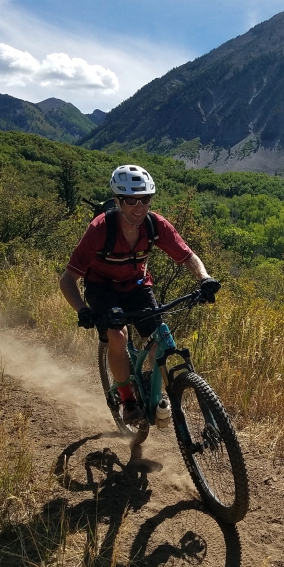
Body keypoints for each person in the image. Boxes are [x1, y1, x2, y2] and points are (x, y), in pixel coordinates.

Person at [59, 164, 220, 423]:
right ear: (117, 201)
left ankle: (158, 393)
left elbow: (187, 255)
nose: (139, 206)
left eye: (145, 198)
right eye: (131, 200)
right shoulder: (100, 230)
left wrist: (205, 278)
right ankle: (127, 400)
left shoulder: (155, 225)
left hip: (136, 285)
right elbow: (67, 280)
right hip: (103, 288)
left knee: (161, 339)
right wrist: (83, 311)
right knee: (118, 334)